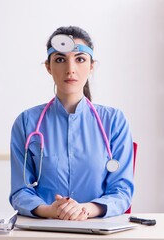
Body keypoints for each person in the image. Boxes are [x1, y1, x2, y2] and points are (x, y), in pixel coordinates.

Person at [9, 26, 134, 221]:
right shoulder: (26, 122)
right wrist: (51, 210)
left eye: (80, 59)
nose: (70, 69)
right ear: (48, 67)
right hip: (45, 230)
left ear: (91, 66)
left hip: (96, 228)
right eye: (60, 59)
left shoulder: (114, 121)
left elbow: (122, 191)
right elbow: (20, 192)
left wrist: (84, 210)